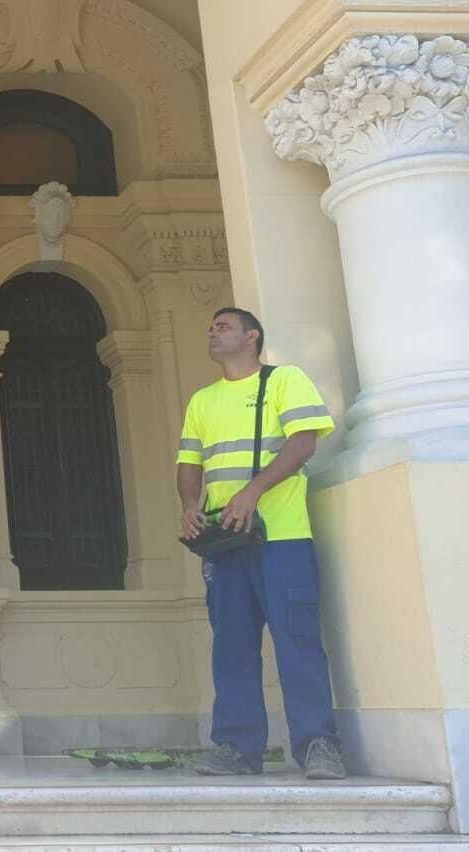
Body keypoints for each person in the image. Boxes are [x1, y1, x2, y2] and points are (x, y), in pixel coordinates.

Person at [176, 307, 344, 780]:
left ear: (252, 336)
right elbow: (189, 463)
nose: (212, 332)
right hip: (225, 544)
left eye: (223, 326)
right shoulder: (202, 401)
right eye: (210, 327)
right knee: (231, 647)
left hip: (282, 538)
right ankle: (236, 748)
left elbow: (303, 444)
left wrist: (252, 492)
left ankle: (319, 746)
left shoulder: (284, 380)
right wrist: (189, 505)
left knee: (297, 642)